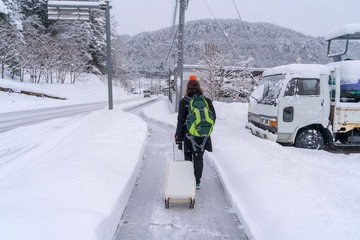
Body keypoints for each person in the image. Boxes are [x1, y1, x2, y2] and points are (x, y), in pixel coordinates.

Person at [175, 75, 216, 189]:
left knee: (188, 157)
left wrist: (178, 138)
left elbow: (180, 121)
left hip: (188, 135)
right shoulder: (207, 101)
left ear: (187, 88)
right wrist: (205, 129)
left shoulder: (184, 102)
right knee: (199, 158)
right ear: (199, 88)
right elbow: (213, 118)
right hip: (203, 135)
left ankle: (188, 181)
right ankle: (197, 182)